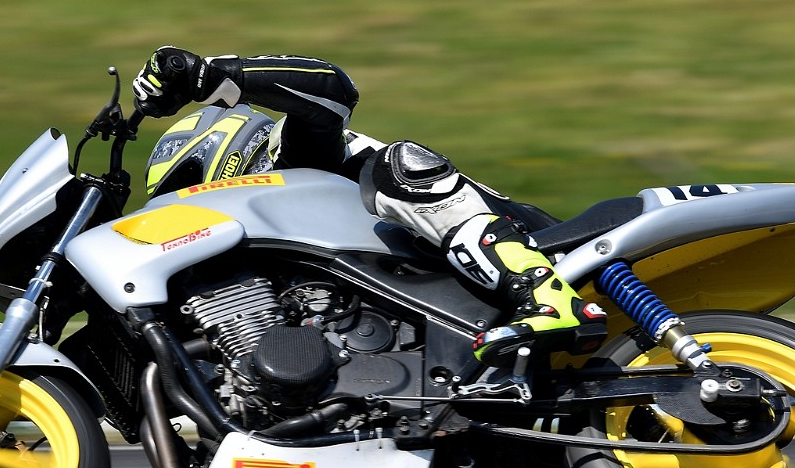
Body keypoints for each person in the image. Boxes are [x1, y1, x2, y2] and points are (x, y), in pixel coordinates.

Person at [131, 46, 605, 364]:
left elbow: (333, 89)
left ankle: (545, 296)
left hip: (541, 243)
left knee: (395, 168)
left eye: (182, 187)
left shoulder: (295, 160)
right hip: (457, 319)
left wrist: (213, 76)